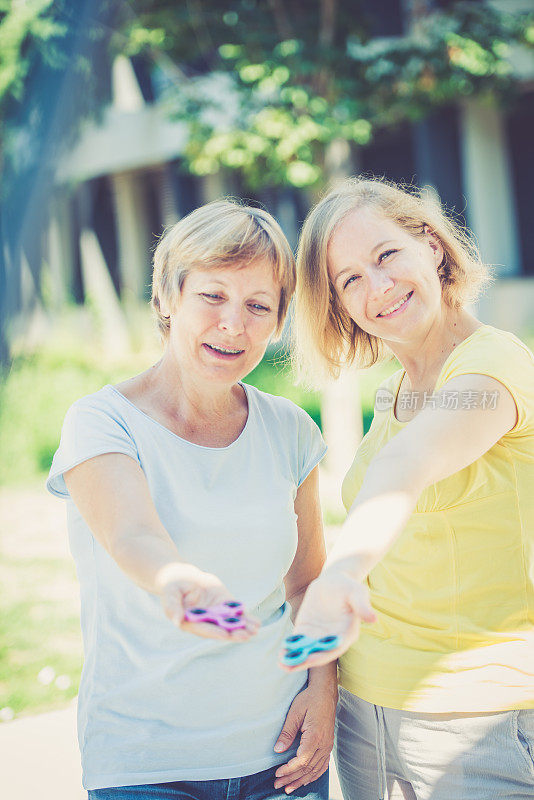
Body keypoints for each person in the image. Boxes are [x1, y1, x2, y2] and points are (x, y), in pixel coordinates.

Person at [46, 200, 337, 800]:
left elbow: (307, 583)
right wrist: (180, 580)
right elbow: (133, 535)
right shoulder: (102, 422)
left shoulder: (291, 431)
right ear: (167, 298)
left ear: (279, 320)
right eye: (212, 296)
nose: (234, 324)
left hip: (282, 758)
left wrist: (322, 693)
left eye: (259, 306)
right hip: (149, 764)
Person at [287, 177, 534, 800]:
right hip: (365, 708)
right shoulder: (396, 392)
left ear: (432, 245)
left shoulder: (492, 369)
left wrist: (340, 573)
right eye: (349, 280)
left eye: (386, 255)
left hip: (477, 721)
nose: (378, 288)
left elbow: (407, 466)